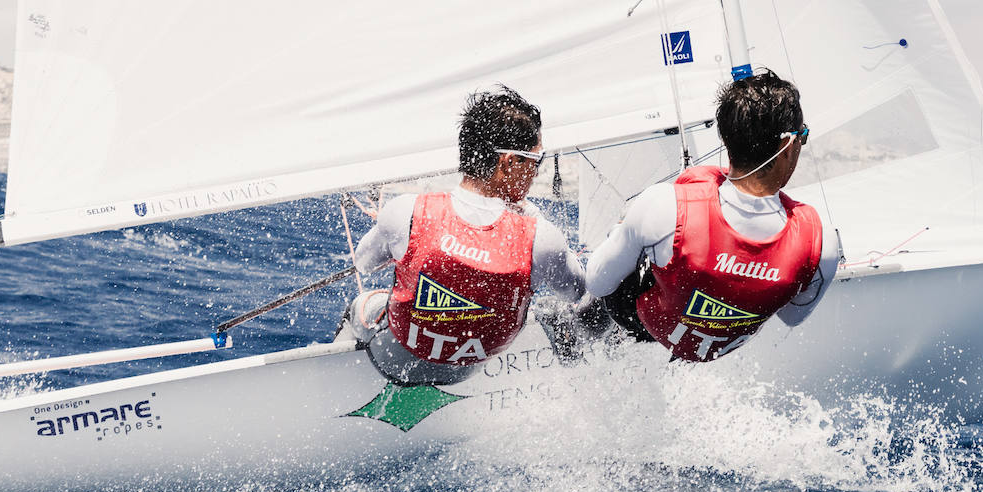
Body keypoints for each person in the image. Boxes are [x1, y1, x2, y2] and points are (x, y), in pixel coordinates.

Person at [583, 70, 840, 363]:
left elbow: (598, 284)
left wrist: (627, 227)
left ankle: (579, 329)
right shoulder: (822, 243)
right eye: (802, 137)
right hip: (721, 346)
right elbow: (792, 317)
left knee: (635, 223)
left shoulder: (663, 206)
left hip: (644, 326)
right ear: (785, 145)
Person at [341, 86, 585, 383]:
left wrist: (397, 238)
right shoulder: (542, 237)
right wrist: (533, 217)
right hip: (466, 372)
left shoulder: (406, 212)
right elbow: (575, 291)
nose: (537, 172)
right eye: (536, 160)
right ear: (508, 163)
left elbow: (364, 264)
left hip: (395, 360)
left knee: (363, 303)